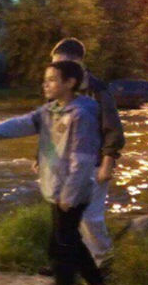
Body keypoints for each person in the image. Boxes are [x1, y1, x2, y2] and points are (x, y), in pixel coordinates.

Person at [0, 61, 112, 285]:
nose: (46, 84)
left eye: (52, 80)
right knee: (71, 242)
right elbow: (20, 124)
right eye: (45, 79)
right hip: (57, 188)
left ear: (70, 83)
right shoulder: (51, 111)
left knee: (59, 248)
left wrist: (70, 193)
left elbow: (83, 159)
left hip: (71, 192)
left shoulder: (81, 115)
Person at [49, 38, 124, 268]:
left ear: (78, 62)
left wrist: (108, 163)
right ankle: (67, 264)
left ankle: (105, 262)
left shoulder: (98, 90)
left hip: (92, 164)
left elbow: (112, 128)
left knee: (90, 218)